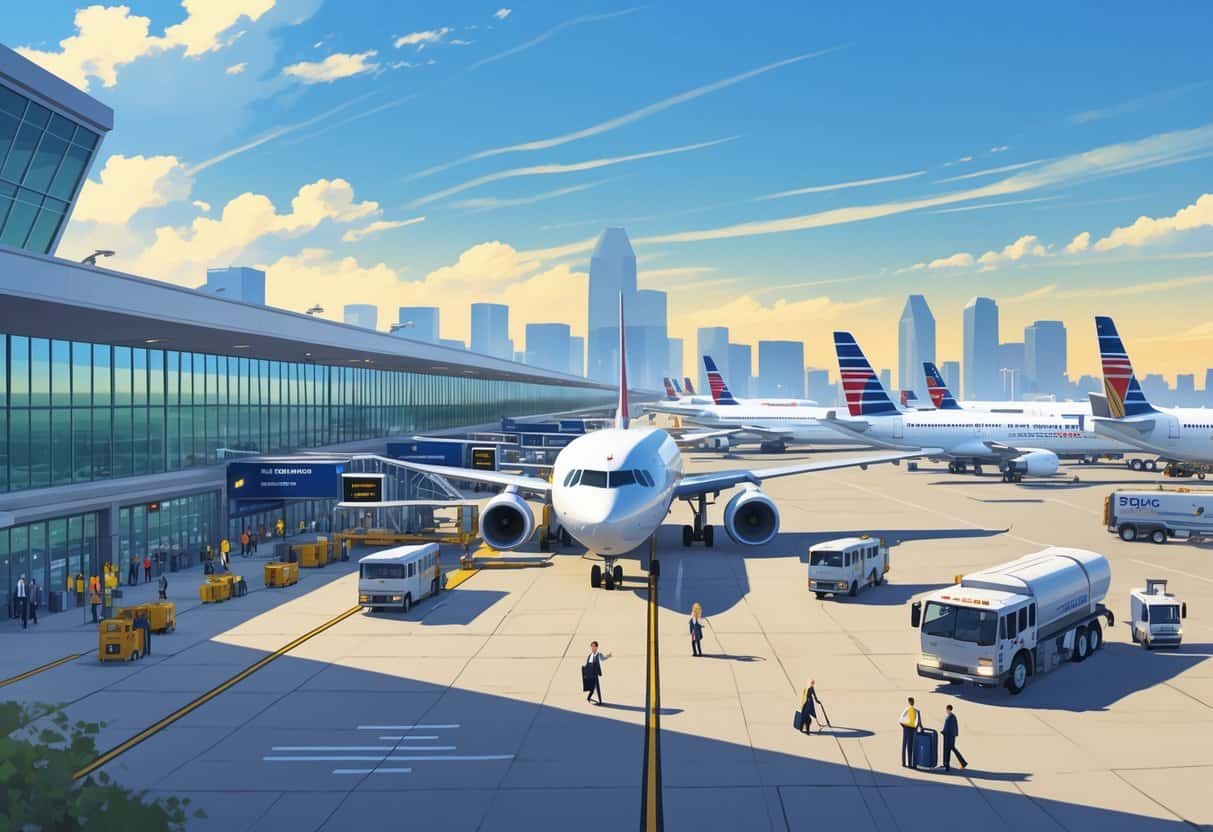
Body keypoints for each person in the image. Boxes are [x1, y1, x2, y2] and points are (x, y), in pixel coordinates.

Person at [942, 704, 968, 772]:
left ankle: (947, 765)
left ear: (948, 709)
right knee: (952, 748)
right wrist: (955, 734)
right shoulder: (953, 717)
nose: (946, 711)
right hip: (952, 736)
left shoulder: (949, 718)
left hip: (948, 736)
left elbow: (946, 727)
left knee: (947, 750)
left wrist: (943, 731)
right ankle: (962, 762)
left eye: (947, 709)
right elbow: (955, 726)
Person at [584, 641, 610, 705]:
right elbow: (587, 663)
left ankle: (600, 701)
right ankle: (588, 697)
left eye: (594, 646)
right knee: (591, 686)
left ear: (596, 647)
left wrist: (608, 656)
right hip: (590, 672)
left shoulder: (599, 654)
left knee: (597, 687)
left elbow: (602, 659)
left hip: (595, 673)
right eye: (592, 646)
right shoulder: (590, 655)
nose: (593, 648)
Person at [899, 696, 920, 768]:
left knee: (904, 745)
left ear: (908, 702)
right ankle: (910, 763)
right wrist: (919, 728)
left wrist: (904, 726)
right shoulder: (917, 711)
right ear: (913, 702)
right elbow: (919, 722)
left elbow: (900, 720)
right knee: (911, 746)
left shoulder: (906, 710)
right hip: (913, 729)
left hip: (906, 728)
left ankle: (904, 763)